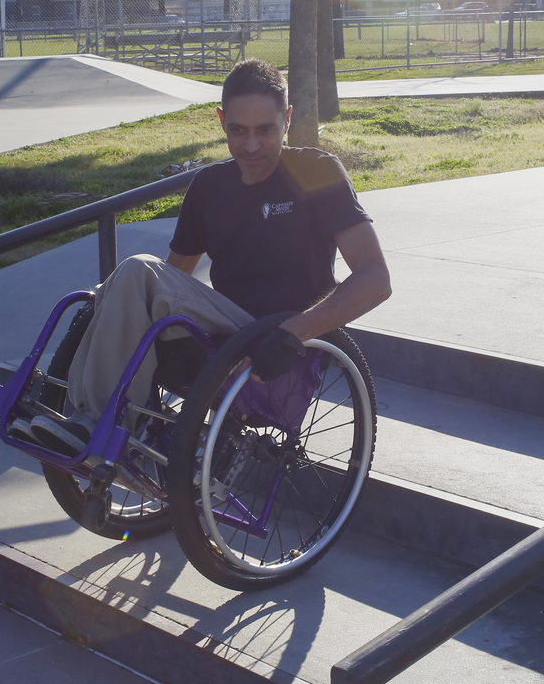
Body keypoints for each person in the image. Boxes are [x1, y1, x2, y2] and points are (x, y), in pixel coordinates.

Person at [20, 58, 393, 455]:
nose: (251, 146)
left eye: (266, 130)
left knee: (135, 271)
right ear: (221, 120)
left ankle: (95, 423)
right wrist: (111, 300)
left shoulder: (315, 171)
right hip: (221, 329)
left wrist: (293, 334)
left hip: (278, 330)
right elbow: (172, 275)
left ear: (287, 118)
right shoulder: (210, 185)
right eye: (238, 130)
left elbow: (375, 279)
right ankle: (94, 412)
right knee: (120, 285)